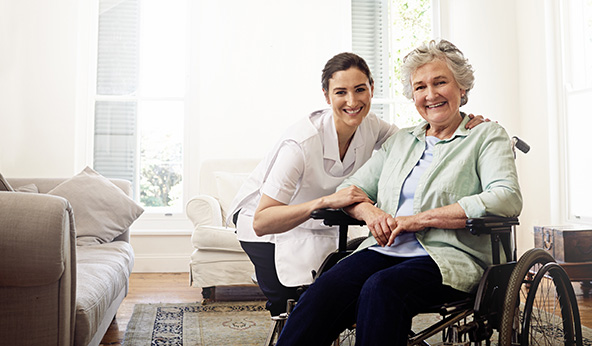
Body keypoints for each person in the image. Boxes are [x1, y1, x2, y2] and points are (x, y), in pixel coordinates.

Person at [274, 39, 522, 346]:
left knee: (381, 288)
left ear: (462, 87)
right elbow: (350, 189)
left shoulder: (485, 136)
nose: (430, 94)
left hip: (449, 257)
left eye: (440, 82)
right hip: (385, 248)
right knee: (325, 290)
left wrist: (420, 220)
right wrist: (371, 212)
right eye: (420, 87)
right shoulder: (401, 141)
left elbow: (506, 196)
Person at [227, 52, 487, 317]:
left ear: (372, 89)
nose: (352, 101)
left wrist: (467, 125)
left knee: (341, 291)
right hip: (267, 224)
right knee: (295, 304)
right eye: (341, 92)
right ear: (327, 96)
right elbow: (262, 221)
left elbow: (420, 141)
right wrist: (325, 201)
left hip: (321, 220)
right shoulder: (300, 144)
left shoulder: (373, 126)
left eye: (360, 89)